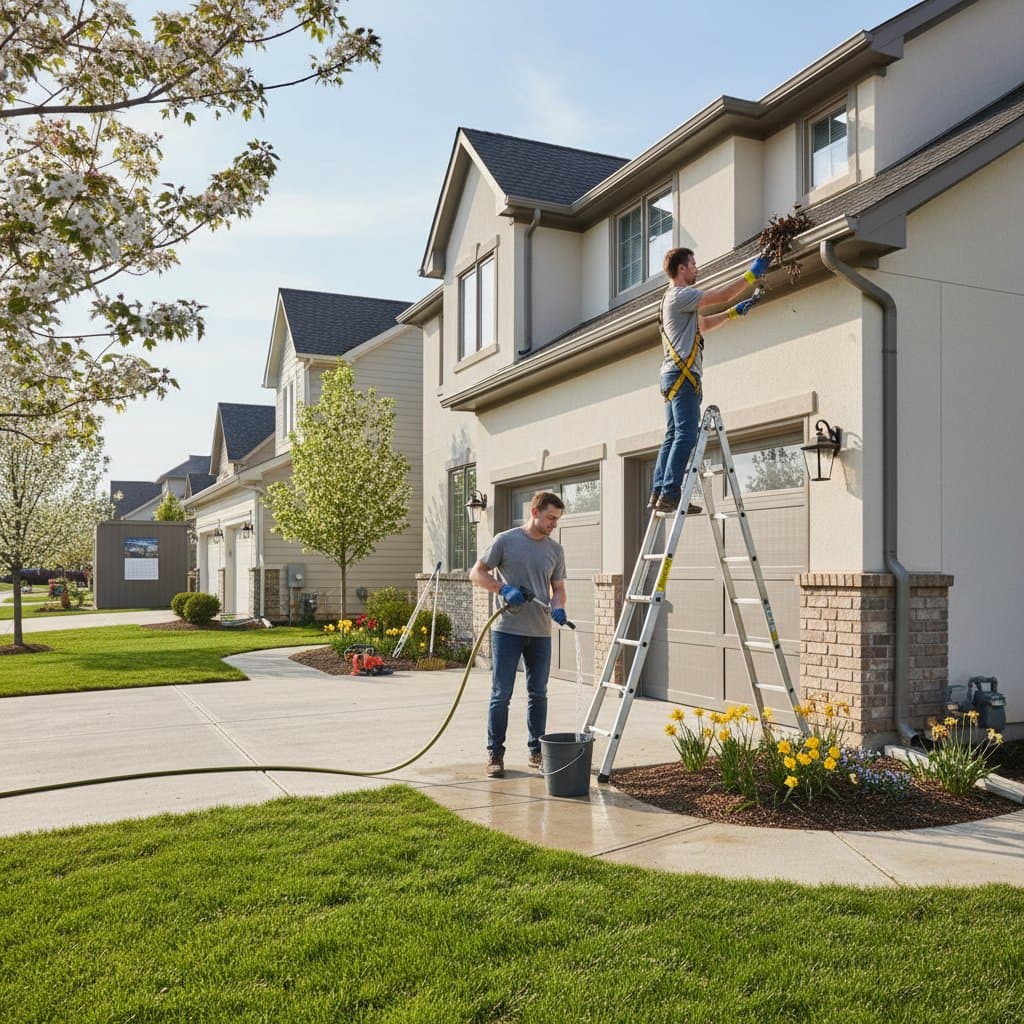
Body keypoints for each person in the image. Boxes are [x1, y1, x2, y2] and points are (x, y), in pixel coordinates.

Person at [650, 247, 768, 514]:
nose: (696, 268)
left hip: (672, 376)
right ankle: (669, 493)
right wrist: (751, 275)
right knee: (687, 435)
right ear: (681, 268)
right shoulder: (681, 295)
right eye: (693, 264)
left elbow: (702, 326)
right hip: (682, 377)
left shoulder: (672, 301)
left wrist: (732, 313)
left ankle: (660, 492)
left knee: (673, 435)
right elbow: (722, 294)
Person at [469, 490, 568, 778]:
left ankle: (537, 752)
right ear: (535, 512)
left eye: (557, 519)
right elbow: (477, 573)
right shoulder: (506, 540)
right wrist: (503, 589)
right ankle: (495, 755)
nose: (554, 524)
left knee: (538, 694)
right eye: (551, 517)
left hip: (540, 632)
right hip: (508, 631)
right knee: (501, 695)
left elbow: (558, 589)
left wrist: (558, 606)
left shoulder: (554, 550)